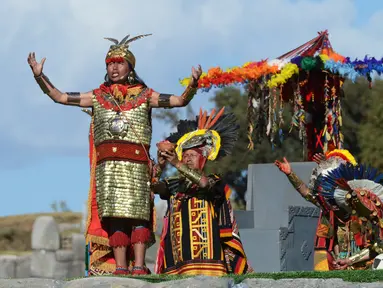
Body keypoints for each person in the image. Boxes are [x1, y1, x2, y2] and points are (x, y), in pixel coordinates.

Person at [27, 33, 202, 276]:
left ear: (130, 67)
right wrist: (39, 76)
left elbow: (180, 101)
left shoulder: (145, 95)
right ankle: (120, 268)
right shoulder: (97, 96)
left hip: (137, 166)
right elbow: (60, 97)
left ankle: (139, 267)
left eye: (119, 63)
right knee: (115, 218)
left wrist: (193, 84)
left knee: (138, 215)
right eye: (110, 64)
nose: (114, 68)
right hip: (108, 169)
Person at [151, 107, 253, 276]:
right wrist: (161, 165)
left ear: (203, 159)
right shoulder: (174, 185)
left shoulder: (215, 180)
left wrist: (176, 163)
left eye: (192, 155)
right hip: (177, 262)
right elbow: (153, 187)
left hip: (208, 261)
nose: (187, 158)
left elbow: (205, 184)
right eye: (185, 155)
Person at [275, 149, 381, 270]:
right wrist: (290, 174)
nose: (331, 199)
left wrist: (351, 261)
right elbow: (306, 193)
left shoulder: (365, 210)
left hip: (366, 266)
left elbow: (377, 247)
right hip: (340, 266)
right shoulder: (329, 208)